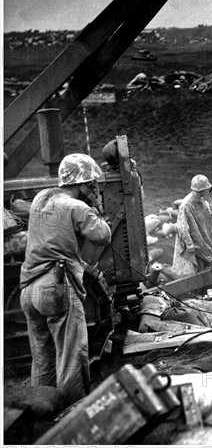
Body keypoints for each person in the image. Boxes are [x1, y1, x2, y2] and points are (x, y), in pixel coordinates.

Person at [19, 153, 111, 405]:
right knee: (72, 354)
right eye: (91, 184)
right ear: (83, 184)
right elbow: (102, 235)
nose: (93, 187)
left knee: (42, 355)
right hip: (56, 287)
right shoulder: (76, 207)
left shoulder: (40, 198)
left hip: (28, 290)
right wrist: (96, 207)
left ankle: (40, 411)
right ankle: (71, 411)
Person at [172, 174, 212, 277]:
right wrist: (188, 243)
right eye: (204, 190)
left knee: (207, 258)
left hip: (202, 236)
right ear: (198, 190)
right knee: (194, 266)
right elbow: (182, 226)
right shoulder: (186, 205)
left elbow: (208, 215)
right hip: (192, 240)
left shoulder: (202, 201)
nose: (206, 192)